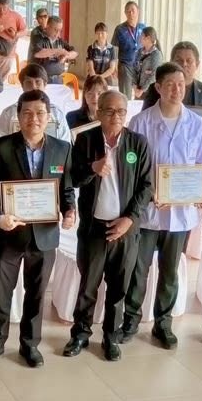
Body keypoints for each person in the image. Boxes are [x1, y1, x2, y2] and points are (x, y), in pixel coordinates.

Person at [0, 91, 76, 366]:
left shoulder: (62, 149)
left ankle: (30, 345)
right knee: (2, 294)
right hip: (8, 234)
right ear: (18, 116)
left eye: (40, 113)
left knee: (36, 294)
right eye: (27, 113)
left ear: (49, 117)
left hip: (44, 236)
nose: (33, 118)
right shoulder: (0, 147)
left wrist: (69, 211)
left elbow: (66, 190)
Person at [123, 63, 202, 349]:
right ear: (158, 87)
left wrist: (199, 192)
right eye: (170, 84)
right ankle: (130, 320)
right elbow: (130, 161)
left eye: (181, 84)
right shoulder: (140, 122)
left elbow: (200, 164)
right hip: (147, 211)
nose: (176, 90)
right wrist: (150, 190)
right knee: (139, 269)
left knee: (170, 271)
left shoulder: (196, 123)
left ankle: (163, 323)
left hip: (181, 214)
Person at [65, 90, 150, 360]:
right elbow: (73, 178)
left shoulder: (138, 143)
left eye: (121, 111)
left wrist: (130, 219)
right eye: (110, 111)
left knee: (118, 288)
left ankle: (111, 337)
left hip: (124, 230)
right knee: (88, 287)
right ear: (98, 112)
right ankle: (80, 334)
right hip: (94, 229)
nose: (116, 116)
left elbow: (147, 186)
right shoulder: (85, 140)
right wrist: (93, 168)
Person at [141, 41, 202, 140]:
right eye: (179, 60)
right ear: (171, 63)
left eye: (189, 61)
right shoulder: (156, 89)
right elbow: (144, 119)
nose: (184, 64)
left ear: (197, 64)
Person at [0, 63, 72, 142]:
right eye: (29, 83)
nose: (34, 87)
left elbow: (65, 144)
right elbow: (0, 143)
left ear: (45, 85)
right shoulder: (8, 114)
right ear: (22, 86)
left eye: (38, 82)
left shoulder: (57, 113)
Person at [111, 1, 146, 97]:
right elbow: (114, 48)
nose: (131, 13)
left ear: (138, 11)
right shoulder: (120, 29)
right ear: (125, 13)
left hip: (140, 66)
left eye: (133, 11)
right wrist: (114, 66)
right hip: (125, 65)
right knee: (125, 95)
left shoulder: (143, 28)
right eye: (128, 11)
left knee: (141, 95)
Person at [30, 14, 73, 84]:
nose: (58, 33)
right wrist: (58, 51)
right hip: (41, 79)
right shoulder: (38, 37)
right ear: (48, 26)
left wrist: (66, 56)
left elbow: (74, 52)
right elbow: (38, 53)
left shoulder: (60, 40)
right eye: (55, 30)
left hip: (58, 79)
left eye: (60, 30)